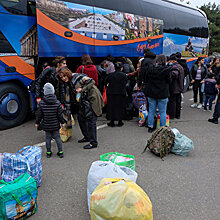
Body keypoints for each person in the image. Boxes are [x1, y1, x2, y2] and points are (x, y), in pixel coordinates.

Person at [57, 67, 104, 149]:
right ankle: (87, 137)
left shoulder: (78, 77)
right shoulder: (68, 84)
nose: (63, 78)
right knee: (80, 117)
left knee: (91, 121)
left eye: (64, 76)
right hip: (83, 101)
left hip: (92, 98)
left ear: (68, 74)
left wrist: (82, 89)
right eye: (61, 77)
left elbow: (92, 81)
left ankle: (93, 143)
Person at [35, 83, 65, 158]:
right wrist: (62, 122)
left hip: (46, 124)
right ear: (53, 91)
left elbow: (39, 115)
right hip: (55, 124)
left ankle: (48, 152)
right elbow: (60, 115)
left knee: (48, 138)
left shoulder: (41, 103)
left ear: (44, 92)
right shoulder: (57, 103)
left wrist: (37, 123)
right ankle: (60, 152)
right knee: (58, 137)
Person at [144, 55, 172, 132]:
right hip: (163, 93)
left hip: (151, 93)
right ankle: (162, 128)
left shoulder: (150, 69)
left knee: (151, 111)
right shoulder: (166, 70)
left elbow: (146, 79)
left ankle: (150, 126)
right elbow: (169, 81)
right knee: (162, 111)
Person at [104, 62, 127, 127]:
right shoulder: (124, 75)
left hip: (111, 92)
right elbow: (125, 82)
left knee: (111, 107)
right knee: (120, 107)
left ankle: (112, 121)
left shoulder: (110, 75)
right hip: (121, 93)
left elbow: (105, 83)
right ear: (121, 68)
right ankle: (120, 121)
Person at [167, 54, 184, 119]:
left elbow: (174, 74)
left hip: (174, 87)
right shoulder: (180, 66)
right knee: (178, 102)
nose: (168, 62)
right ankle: (178, 115)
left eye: (169, 61)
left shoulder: (175, 67)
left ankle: (172, 115)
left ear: (173, 61)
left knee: (173, 102)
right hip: (179, 87)